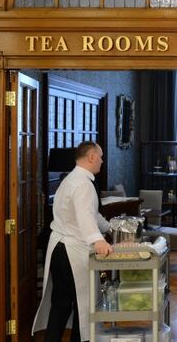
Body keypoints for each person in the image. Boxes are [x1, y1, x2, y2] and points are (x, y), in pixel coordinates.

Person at [32, 141, 113, 342]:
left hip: (59, 248)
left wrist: (110, 227)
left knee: (61, 302)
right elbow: (85, 218)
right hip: (70, 251)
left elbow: (91, 215)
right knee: (81, 304)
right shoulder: (83, 184)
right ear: (92, 157)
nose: (102, 161)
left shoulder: (72, 179)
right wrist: (98, 241)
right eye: (100, 156)